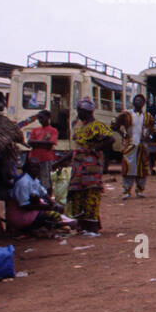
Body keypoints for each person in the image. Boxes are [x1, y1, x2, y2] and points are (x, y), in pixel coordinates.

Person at [61, 98, 113, 235]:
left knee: (91, 194)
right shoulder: (81, 126)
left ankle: (92, 226)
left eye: (80, 111)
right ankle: (83, 225)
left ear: (86, 111)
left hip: (91, 167)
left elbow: (110, 139)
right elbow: (77, 149)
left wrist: (95, 149)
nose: (78, 113)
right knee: (77, 194)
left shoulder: (97, 126)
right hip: (78, 165)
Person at [7, 155, 73, 235]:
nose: (35, 170)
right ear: (27, 168)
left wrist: (53, 203)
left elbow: (43, 193)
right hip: (21, 216)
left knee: (56, 211)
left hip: (32, 212)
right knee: (51, 217)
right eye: (32, 167)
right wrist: (46, 207)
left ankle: (64, 223)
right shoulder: (23, 183)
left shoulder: (33, 179)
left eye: (37, 167)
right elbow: (24, 206)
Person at [113, 94, 154, 199]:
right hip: (130, 145)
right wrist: (123, 134)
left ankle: (140, 190)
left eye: (141, 100)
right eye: (137, 100)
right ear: (133, 102)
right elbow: (115, 125)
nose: (139, 102)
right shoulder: (126, 114)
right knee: (128, 168)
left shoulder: (148, 116)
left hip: (142, 146)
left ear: (144, 103)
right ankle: (126, 191)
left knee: (142, 168)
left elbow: (153, 127)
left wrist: (148, 136)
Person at [19, 109, 58, 189]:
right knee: (34, 180)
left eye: (42, 118)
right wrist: (43, 143)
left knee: (46, 180)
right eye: (39, 118)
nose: (40, 120)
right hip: (34, 159)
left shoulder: (53, 130)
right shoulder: (35, 130)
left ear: (48, 118)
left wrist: (36, 143)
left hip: (46, 159)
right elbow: (30, 142)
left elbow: (50, 145)